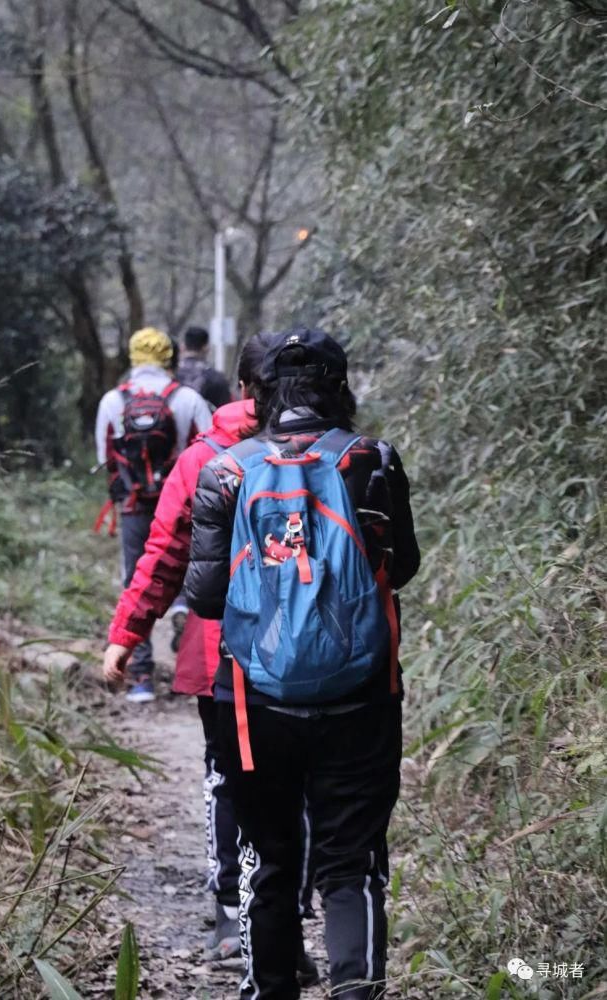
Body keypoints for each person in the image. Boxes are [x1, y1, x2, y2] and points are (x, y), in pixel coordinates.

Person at [184, 328, 420, 1000]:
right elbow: (400, 566)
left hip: (254, 704)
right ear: (338, 388)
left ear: (258, 393)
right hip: (363, 695)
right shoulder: (373, 460)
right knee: (352, 864)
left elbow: (204, 598)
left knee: (269, 860)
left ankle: (270, 990)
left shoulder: (225, 471)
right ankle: (355, 990)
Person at [101, 335, 318, 983]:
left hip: (219, 648)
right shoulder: (336, 452)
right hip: (309, 650)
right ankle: (278, 928)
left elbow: (163, 554)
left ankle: (234, 916)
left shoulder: (205, 457)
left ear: (244, 389)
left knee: (228, 778)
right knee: (297, 787)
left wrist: (126, 634)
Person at [95, 326, 211, 703]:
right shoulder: (188, 399)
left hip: (133, 506)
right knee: (191, 572)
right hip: (182, 504)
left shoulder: (113, 400)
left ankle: (141, 676)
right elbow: (211, 455)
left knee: (136, 580)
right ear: (168, 357)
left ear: (132, 357)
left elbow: (104, 458)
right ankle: (192, 663)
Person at [176, 326, 232, 410]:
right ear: (206, 348)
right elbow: (225, 411)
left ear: (183, 347)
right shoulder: (216, 378)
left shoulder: (170, 375)